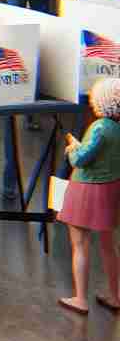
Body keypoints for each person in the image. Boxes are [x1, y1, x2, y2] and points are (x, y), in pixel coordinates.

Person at [56, 79, 120, 315]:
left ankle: (80, 298)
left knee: (80, 245)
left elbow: (81, 160)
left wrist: (73, 147)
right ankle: (115, 296)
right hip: (111, 188)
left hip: (86, 189)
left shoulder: (100, 127)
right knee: (109, 246)